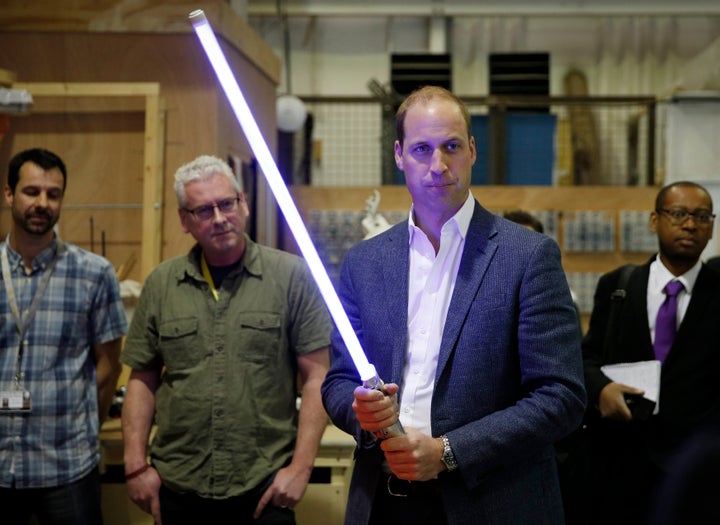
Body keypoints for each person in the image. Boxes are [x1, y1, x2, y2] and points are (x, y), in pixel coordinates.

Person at [321, 86, 587, 525]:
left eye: (451, 147)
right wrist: (359, 411)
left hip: (492, 502)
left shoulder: (527, 256)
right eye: (422, 149)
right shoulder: (364, 262)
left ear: (472, 150)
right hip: (384, 503)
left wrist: (448, 452)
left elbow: (561, 396)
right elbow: (338, 379)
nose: (438, 165)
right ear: (399, 154)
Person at [120, 155, 332, 525]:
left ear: (244, 203)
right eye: (203, 210)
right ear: (185, 221)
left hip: (264, 488)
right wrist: (135, 466)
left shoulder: (290, 277)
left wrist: (301, 468)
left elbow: (318, 378)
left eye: (226, 204)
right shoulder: (161, 284)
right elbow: (142, 379)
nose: (219, 219)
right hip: (180, 487)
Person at [578, 181, 720, 525]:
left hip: (695, 468)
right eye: (679, 214)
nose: (690, 224)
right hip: (620, 459)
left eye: (701, 216)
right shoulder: (618, 286)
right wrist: (601, 389)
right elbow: (587, 357)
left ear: (712, 226)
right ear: (655, 221)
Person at [0, 148, 127, 524]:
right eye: (31, 192)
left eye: (53, 194)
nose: (42, 203)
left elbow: (109, 367)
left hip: (67, 466)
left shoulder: (94, 274)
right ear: (9, 194)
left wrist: (86, 431)